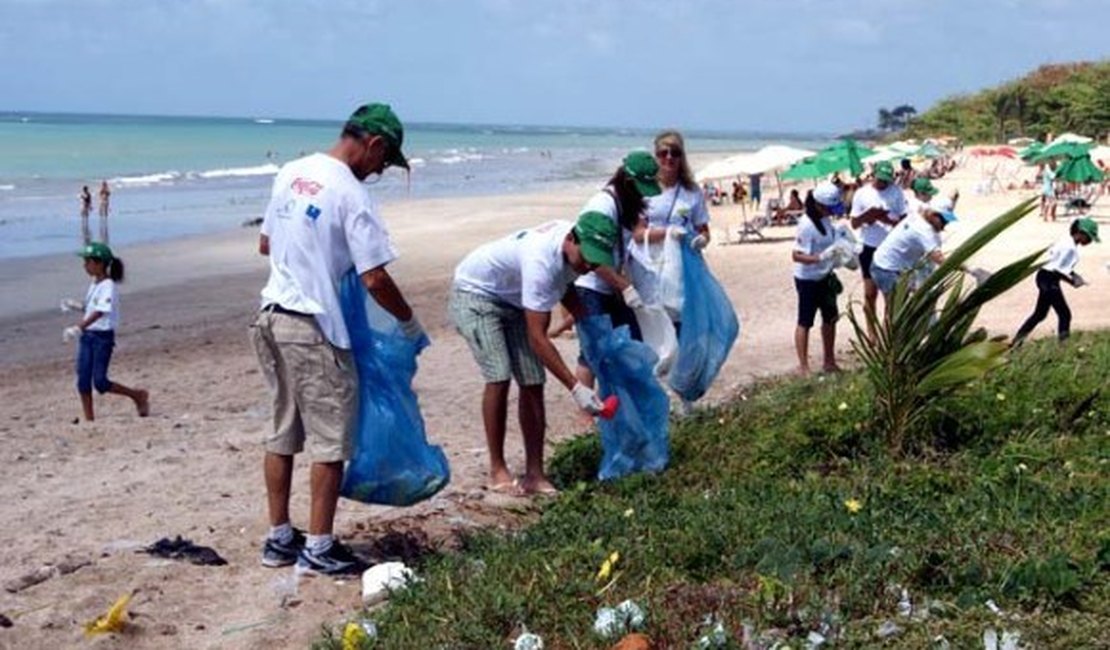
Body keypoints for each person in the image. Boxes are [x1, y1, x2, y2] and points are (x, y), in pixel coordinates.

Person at [251, 103, 422, 576]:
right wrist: (409, 323)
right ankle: (320, 547)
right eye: (384, 163)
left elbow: (266, 243)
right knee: (332, 441)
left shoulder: (291, 170)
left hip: (270, 318)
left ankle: (279, 538)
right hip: (313, 327)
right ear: (374, 145)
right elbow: (375, 279)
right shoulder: (350, 193)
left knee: (282, 433)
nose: (379, 172)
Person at [449, 213, 618, 496]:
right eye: (586, 258)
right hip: (476, 293)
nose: (589, 266)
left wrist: (592, 330)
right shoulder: (540, 260)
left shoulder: (578, 253)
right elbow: (539, 339)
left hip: (513, 298)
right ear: (570, 240)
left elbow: (565, 284)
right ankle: (497, 469)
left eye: (596, 260)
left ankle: (535, 475)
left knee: (532, 381)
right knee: (499, 375)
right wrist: (576, 388)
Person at [573, 151, 660, 388]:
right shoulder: (602, 207)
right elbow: (593, 259)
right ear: (628, 182)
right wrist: (626, 287)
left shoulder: (625, 206)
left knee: (631, 339)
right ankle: (586, 414)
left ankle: (619, 400)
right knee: (593, 351)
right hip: (590, 287)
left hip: (612, 285)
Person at [64, 242, 149, 422]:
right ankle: (89, 420)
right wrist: (76, 305)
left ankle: (137, 395)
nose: (85, 265)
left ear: (100, 263)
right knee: (83, 380)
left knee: (100, 382)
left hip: (101, 338)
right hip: (88, 337)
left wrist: (79, 327)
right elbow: (91, 307)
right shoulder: (95, 283)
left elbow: (101, 311)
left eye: (88, 262)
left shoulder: (108, 285)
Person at [1013, 218, 1099, 345]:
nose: (1090, 241)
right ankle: (1063, 346)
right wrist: (1072, 282)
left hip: (1044, 276)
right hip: (1049, 279)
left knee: (1040, 314)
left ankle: (1016, 342)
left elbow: (1060, 265)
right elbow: (1057, 270)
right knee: (1065, 314)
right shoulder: (1070, 248)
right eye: (1089, 237)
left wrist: (1075, 276)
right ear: (1081, 233)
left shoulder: (1066, 241)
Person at [792, 181, 845, 375]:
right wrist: (818, 258)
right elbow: (796, 255)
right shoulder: (806, 225)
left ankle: (829, 361)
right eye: (829, 208)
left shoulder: (826, 220)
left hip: (825, 276)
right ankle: (803, 366)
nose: (831, 212)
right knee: (805, 321)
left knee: (830, 318)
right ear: (819, 205)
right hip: (807, 279)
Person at [849, 160, 907, 338]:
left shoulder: (896, 192)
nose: (883, 184)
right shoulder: (862, 193)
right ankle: (872, 332)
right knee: (869, 293)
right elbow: (854, 223)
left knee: (890, 293)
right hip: (869, 246)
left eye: (886, 181)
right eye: (881, 180)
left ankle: (889, 331)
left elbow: (904, 221)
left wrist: (886, 219)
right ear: (874, 175)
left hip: (890, 248)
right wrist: (867, 216)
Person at [869, 205, 958, 298]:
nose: (945, 224)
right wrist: (968, 269)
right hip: (887, 269)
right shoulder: (924, 231)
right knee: (897, 308)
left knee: (902, 303)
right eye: (944, 221)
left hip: (888, 263)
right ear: (933, 215)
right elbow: (939, 259)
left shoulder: (918, 213)